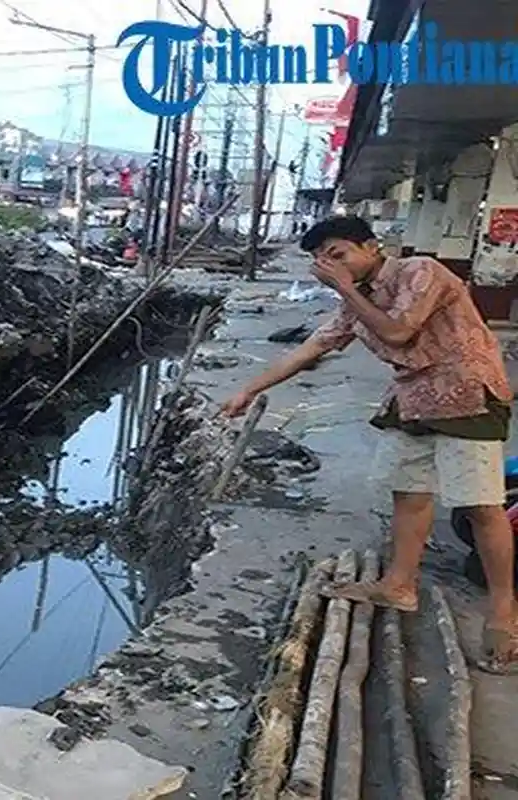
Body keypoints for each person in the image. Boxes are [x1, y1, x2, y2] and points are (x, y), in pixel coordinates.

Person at [220, 215, 517, 672]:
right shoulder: (357, 302)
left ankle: (503, 612)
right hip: (412, 398)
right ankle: (398, 584)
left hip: (466, 393)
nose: (330, 265)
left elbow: (399, 331)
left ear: (371, 246)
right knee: (408, 492)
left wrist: (345, 289)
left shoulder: (421, 272)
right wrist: (249, 390)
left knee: (480, 506)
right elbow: (310, 349)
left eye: (338, 255)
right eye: (322, 260)